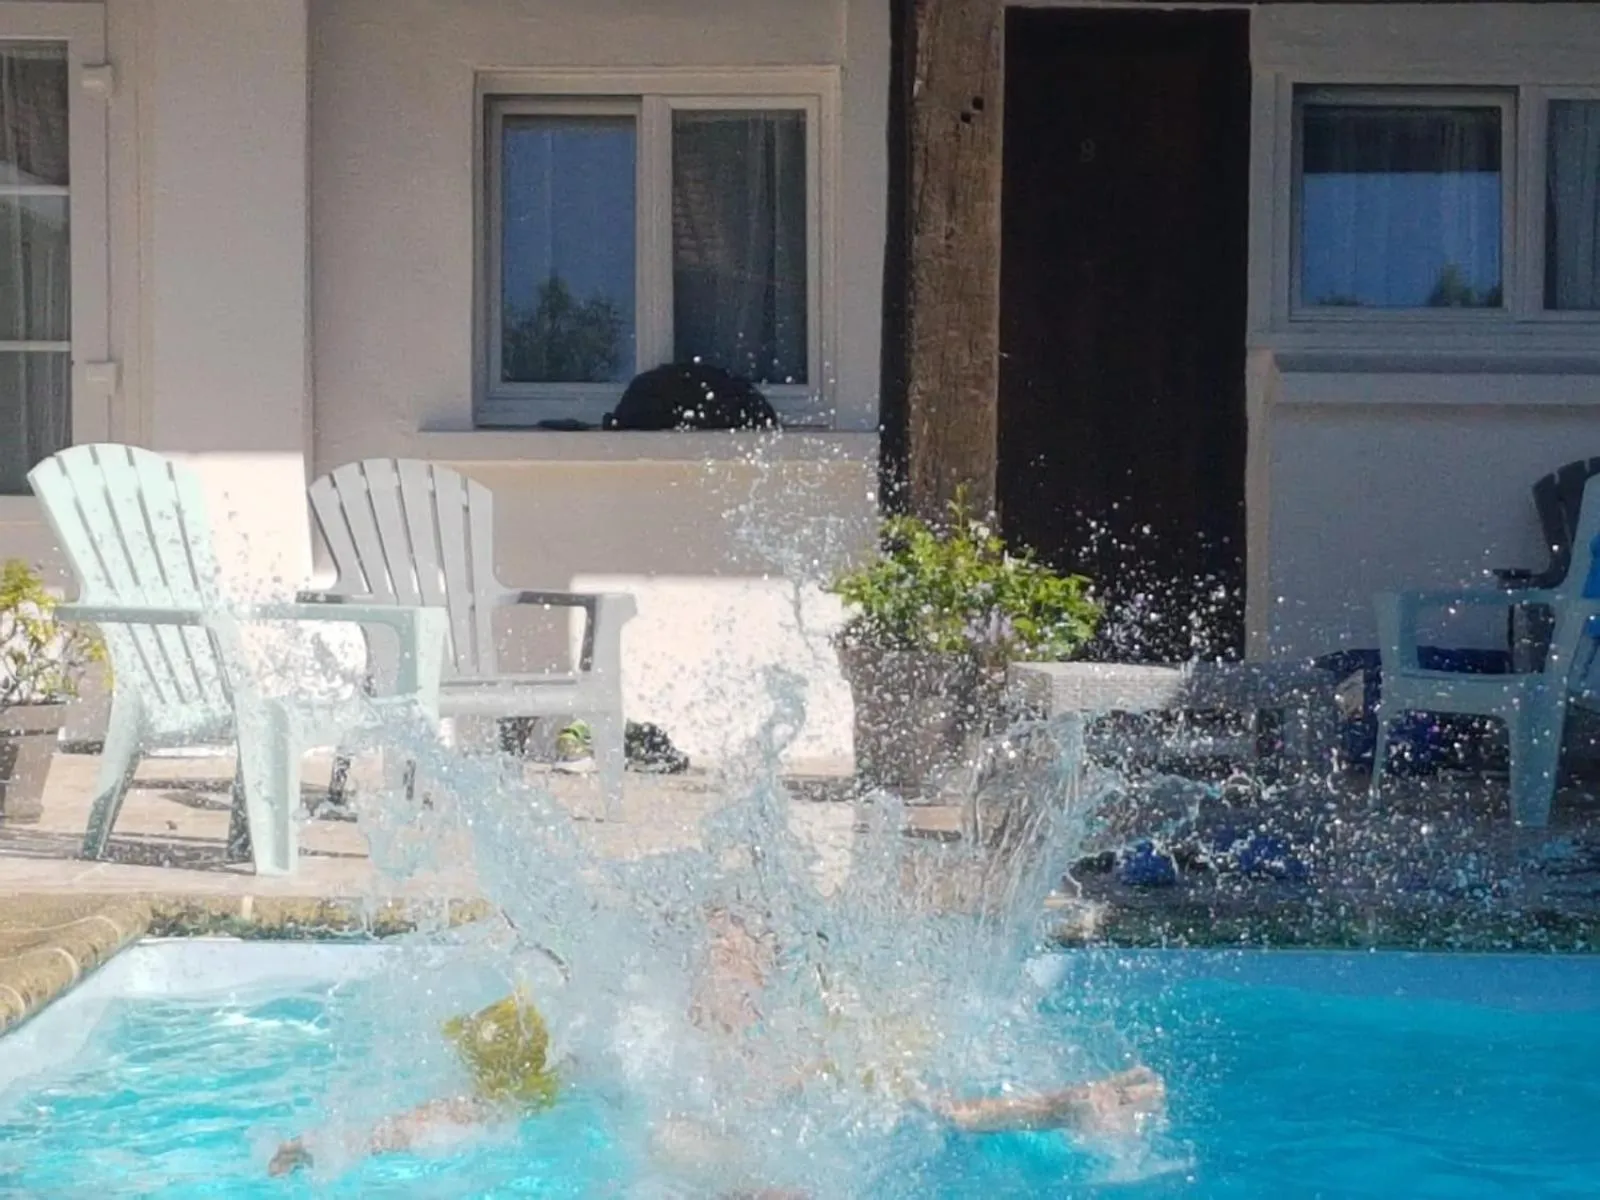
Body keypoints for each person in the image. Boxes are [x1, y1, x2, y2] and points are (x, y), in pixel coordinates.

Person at [268, 910, 1166, 1182]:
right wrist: (348, 1139)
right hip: (680, 1169)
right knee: (684, 1147)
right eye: (715, 958)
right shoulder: (628, 1046)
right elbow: (481, 1110)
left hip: (744, 1172)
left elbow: (953, 1114)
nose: (730, 980)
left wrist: (1062, 1104)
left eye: (746, 962)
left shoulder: (808, 1052)